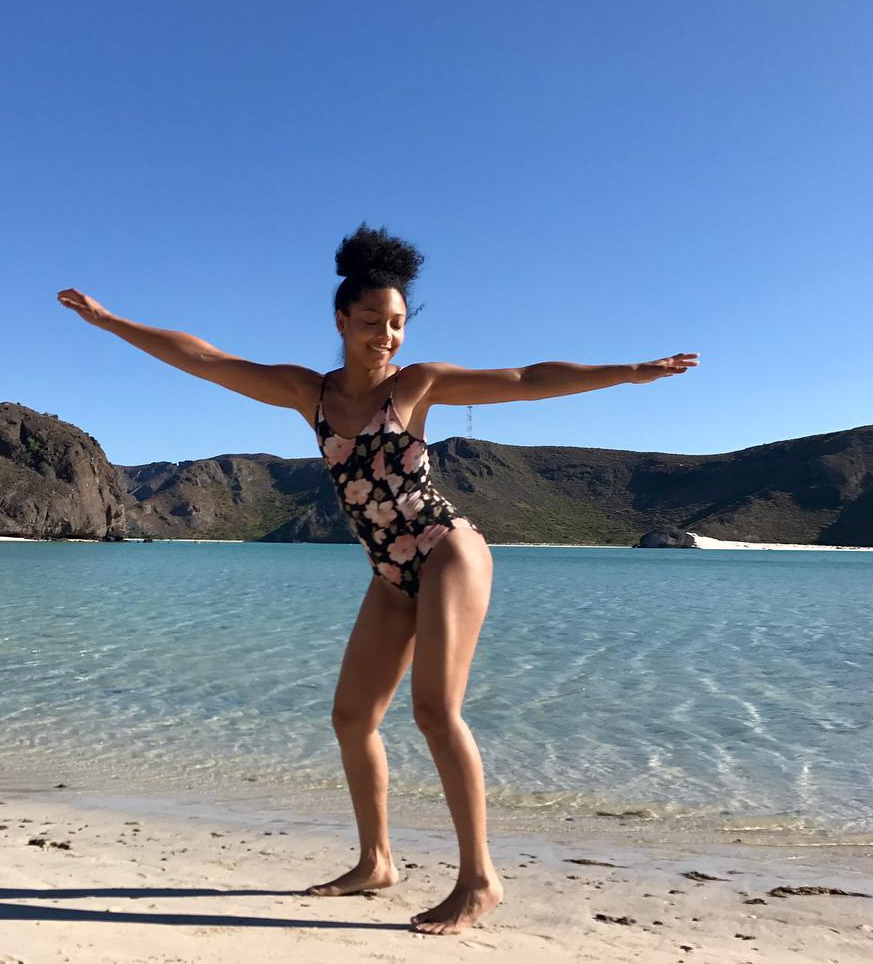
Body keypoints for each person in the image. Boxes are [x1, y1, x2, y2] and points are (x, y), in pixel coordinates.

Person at [57, 221, 699, 935]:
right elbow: (206, 359)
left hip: (446, 550)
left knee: (435, 712)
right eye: (371, 322)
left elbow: (527, 380)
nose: (386, 337)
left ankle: (480, 879)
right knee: (352, 718)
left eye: (396, 324)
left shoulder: (416, 386)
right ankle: (376, 861)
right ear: (341, 321)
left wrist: (629, 372)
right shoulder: (310, 393)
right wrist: (110, 322)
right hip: (390, 571)